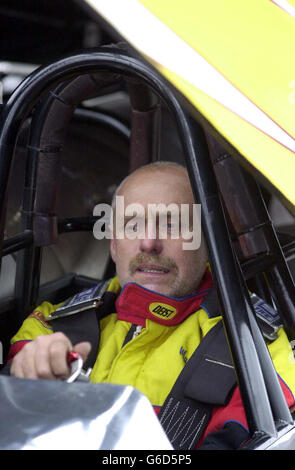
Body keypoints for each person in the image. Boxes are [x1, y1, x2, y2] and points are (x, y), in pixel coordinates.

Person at [3, 161, 295, 450]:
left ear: (207, 241)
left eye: (172, 224)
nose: (149, 242)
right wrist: (26, 375)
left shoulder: (256, 348)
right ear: (114, 244)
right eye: (132, 225)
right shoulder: (50, 323)